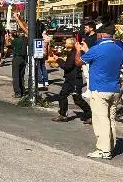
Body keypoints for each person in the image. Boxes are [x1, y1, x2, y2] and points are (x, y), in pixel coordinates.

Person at [76, 23, 123, 159]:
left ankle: (103, 150)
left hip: (99, 88)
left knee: (100, 119)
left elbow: (79, 62)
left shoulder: (98, 48)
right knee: (111, 119)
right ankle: (111, 146)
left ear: (101, 34)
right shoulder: (119, 48)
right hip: (114, 88)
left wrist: (79, 50)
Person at [48, 38, 91, 124]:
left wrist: (58, 60)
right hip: (70, 79)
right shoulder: (71, 52)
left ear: (71, 44)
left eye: (67, 43)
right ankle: (63, 114)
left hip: (75, 79)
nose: (65, 44)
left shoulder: (74, 53)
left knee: (77, 99)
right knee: (62, 95)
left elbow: (68, 66)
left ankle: (89, 114)